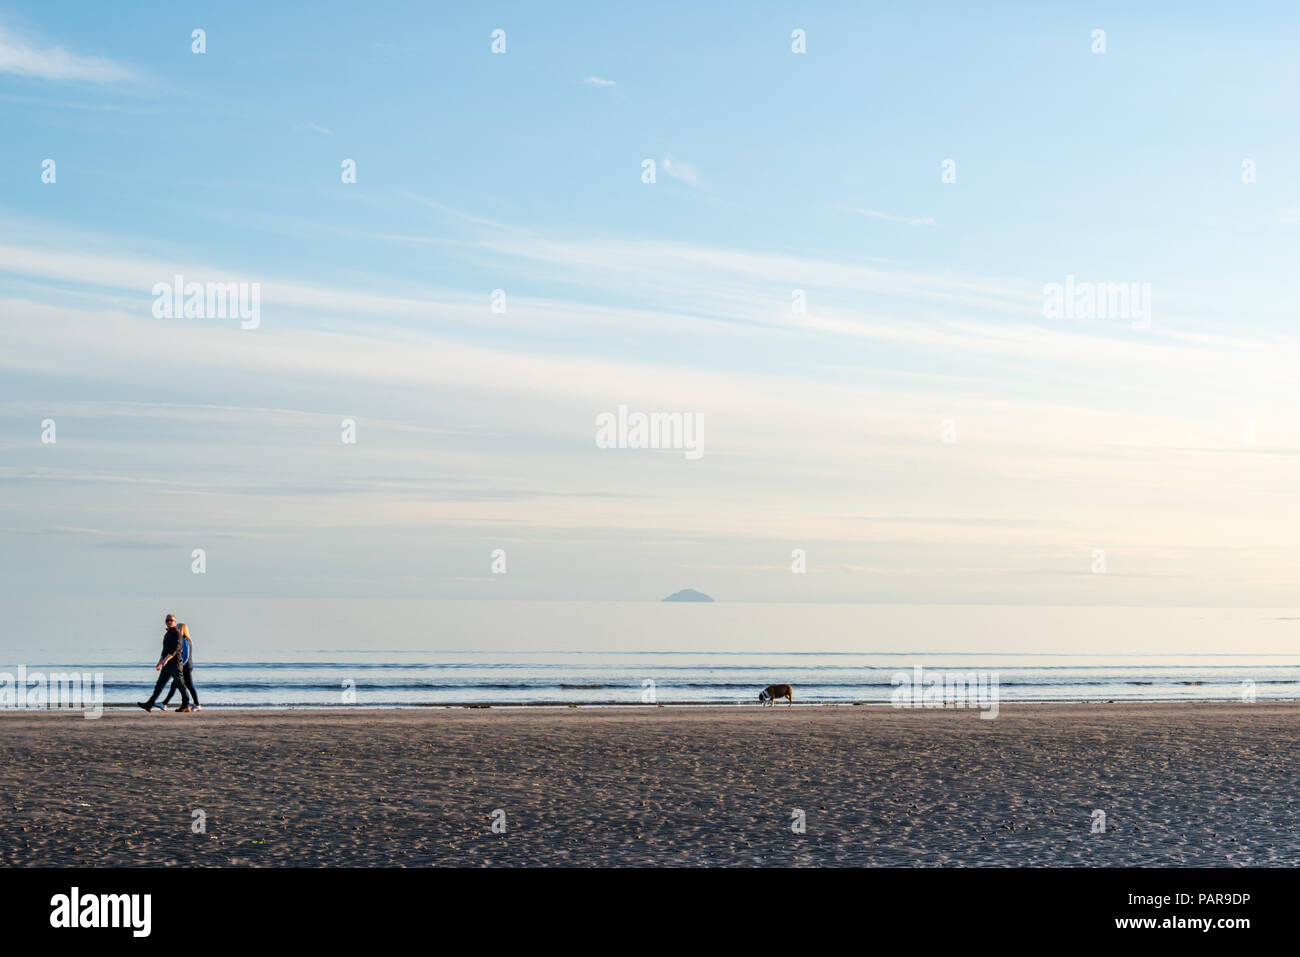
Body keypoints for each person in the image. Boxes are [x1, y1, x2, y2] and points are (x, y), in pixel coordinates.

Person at [137, 614, 191, 713]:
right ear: (165, 622)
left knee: (180, 684)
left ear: (174, 622)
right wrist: (159, 662)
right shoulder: (167, 634)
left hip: (175, 664)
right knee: (159, 685)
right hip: (167, 665)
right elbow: (164, 650)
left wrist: (166, 660)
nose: (169, 622)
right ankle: (149, 704)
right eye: (167, 620)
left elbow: (176, 649)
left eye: (171, 620)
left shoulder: (176, 633)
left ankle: (186, 704)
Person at [161, 623, 201, 712]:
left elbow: (185, 656)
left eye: (177, 628)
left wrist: (180, 666)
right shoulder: (183, 640)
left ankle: (165, 703)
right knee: (184, 685)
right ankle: (165, 703)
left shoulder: (185, 640)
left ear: (181, 629)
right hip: (185, 666)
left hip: (185, 667)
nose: (176, 629)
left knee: (180, 685)